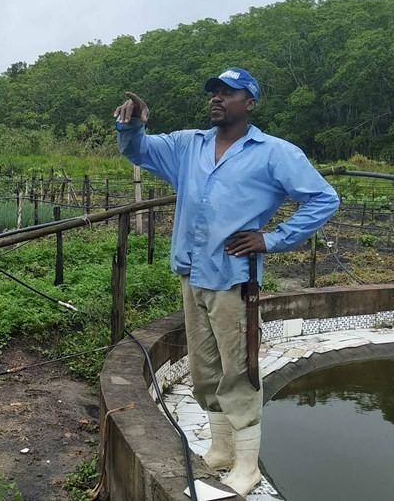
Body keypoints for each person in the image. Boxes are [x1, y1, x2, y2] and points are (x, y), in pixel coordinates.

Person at [114, 67, 339, 496]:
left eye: (229, 93)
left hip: (235, 281)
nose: (217, 98)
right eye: (214, 92)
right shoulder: (188, 145)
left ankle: (248, 465)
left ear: (249, 104)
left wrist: (272, 239)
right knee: (203, 368)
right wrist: (132, 123)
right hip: (193, 274)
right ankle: (220, 449)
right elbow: (139, 151)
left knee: (238, 371)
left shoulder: (274, 153)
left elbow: (324, 198)